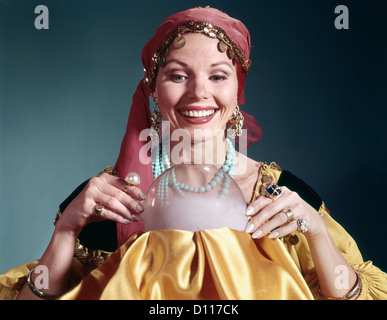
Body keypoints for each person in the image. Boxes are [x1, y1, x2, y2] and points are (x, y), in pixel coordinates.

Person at [1, 6, 386, 300]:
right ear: (153, 88)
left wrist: (316, 233)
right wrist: (67, 230)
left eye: (218, 75)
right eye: (178, 75)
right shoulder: (106, 200)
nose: (199, 93)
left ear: (238, 90)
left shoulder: (281, 198)